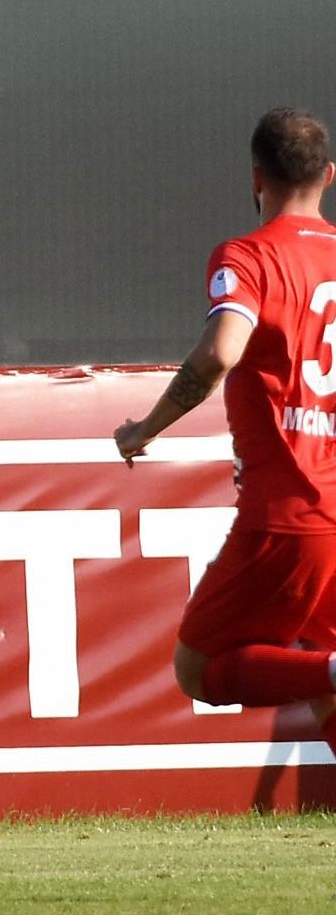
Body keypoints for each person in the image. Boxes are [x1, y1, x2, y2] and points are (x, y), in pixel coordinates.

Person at [115, 107, 336, 750]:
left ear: (255, 177)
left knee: (200, 669)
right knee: (315, 662)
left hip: (292, 510)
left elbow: (220, 352)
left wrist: (145, 428)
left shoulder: (248, 256)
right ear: (328, 175)